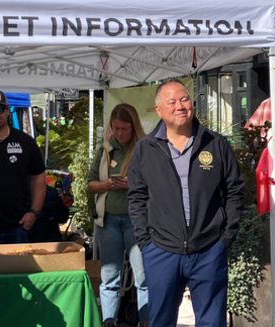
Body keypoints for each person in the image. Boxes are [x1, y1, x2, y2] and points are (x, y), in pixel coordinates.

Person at [128, 78, 245, 327]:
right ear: (159, 110)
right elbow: (137, 197)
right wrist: (146, 242)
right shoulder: (145, 148)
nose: (180, 106)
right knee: (161, 322)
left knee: (213, 322)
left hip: (209, 249)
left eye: (184, 99)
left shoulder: (215, 144)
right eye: (172, 102)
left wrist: (224, 239)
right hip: (161, 251)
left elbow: (235, 191)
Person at [88, 104, 149, 327]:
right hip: (108, 221)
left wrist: (132, 184)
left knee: (143, 277)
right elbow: (90, 185)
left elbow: (158, 184)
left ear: (134, 127)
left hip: (137, 221)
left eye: (124, 129)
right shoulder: (105, 149)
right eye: (116, 129)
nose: (120, 133)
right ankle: (109, 321)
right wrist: (107, 184)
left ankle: (146, 321)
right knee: (109, 276)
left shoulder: (145, 148)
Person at [0, 89, 46, 244]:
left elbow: (38, 177)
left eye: (0, 108)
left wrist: (35, 212)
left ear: (8, 110)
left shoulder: (25, 141)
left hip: (18, 227)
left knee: (18, 269)